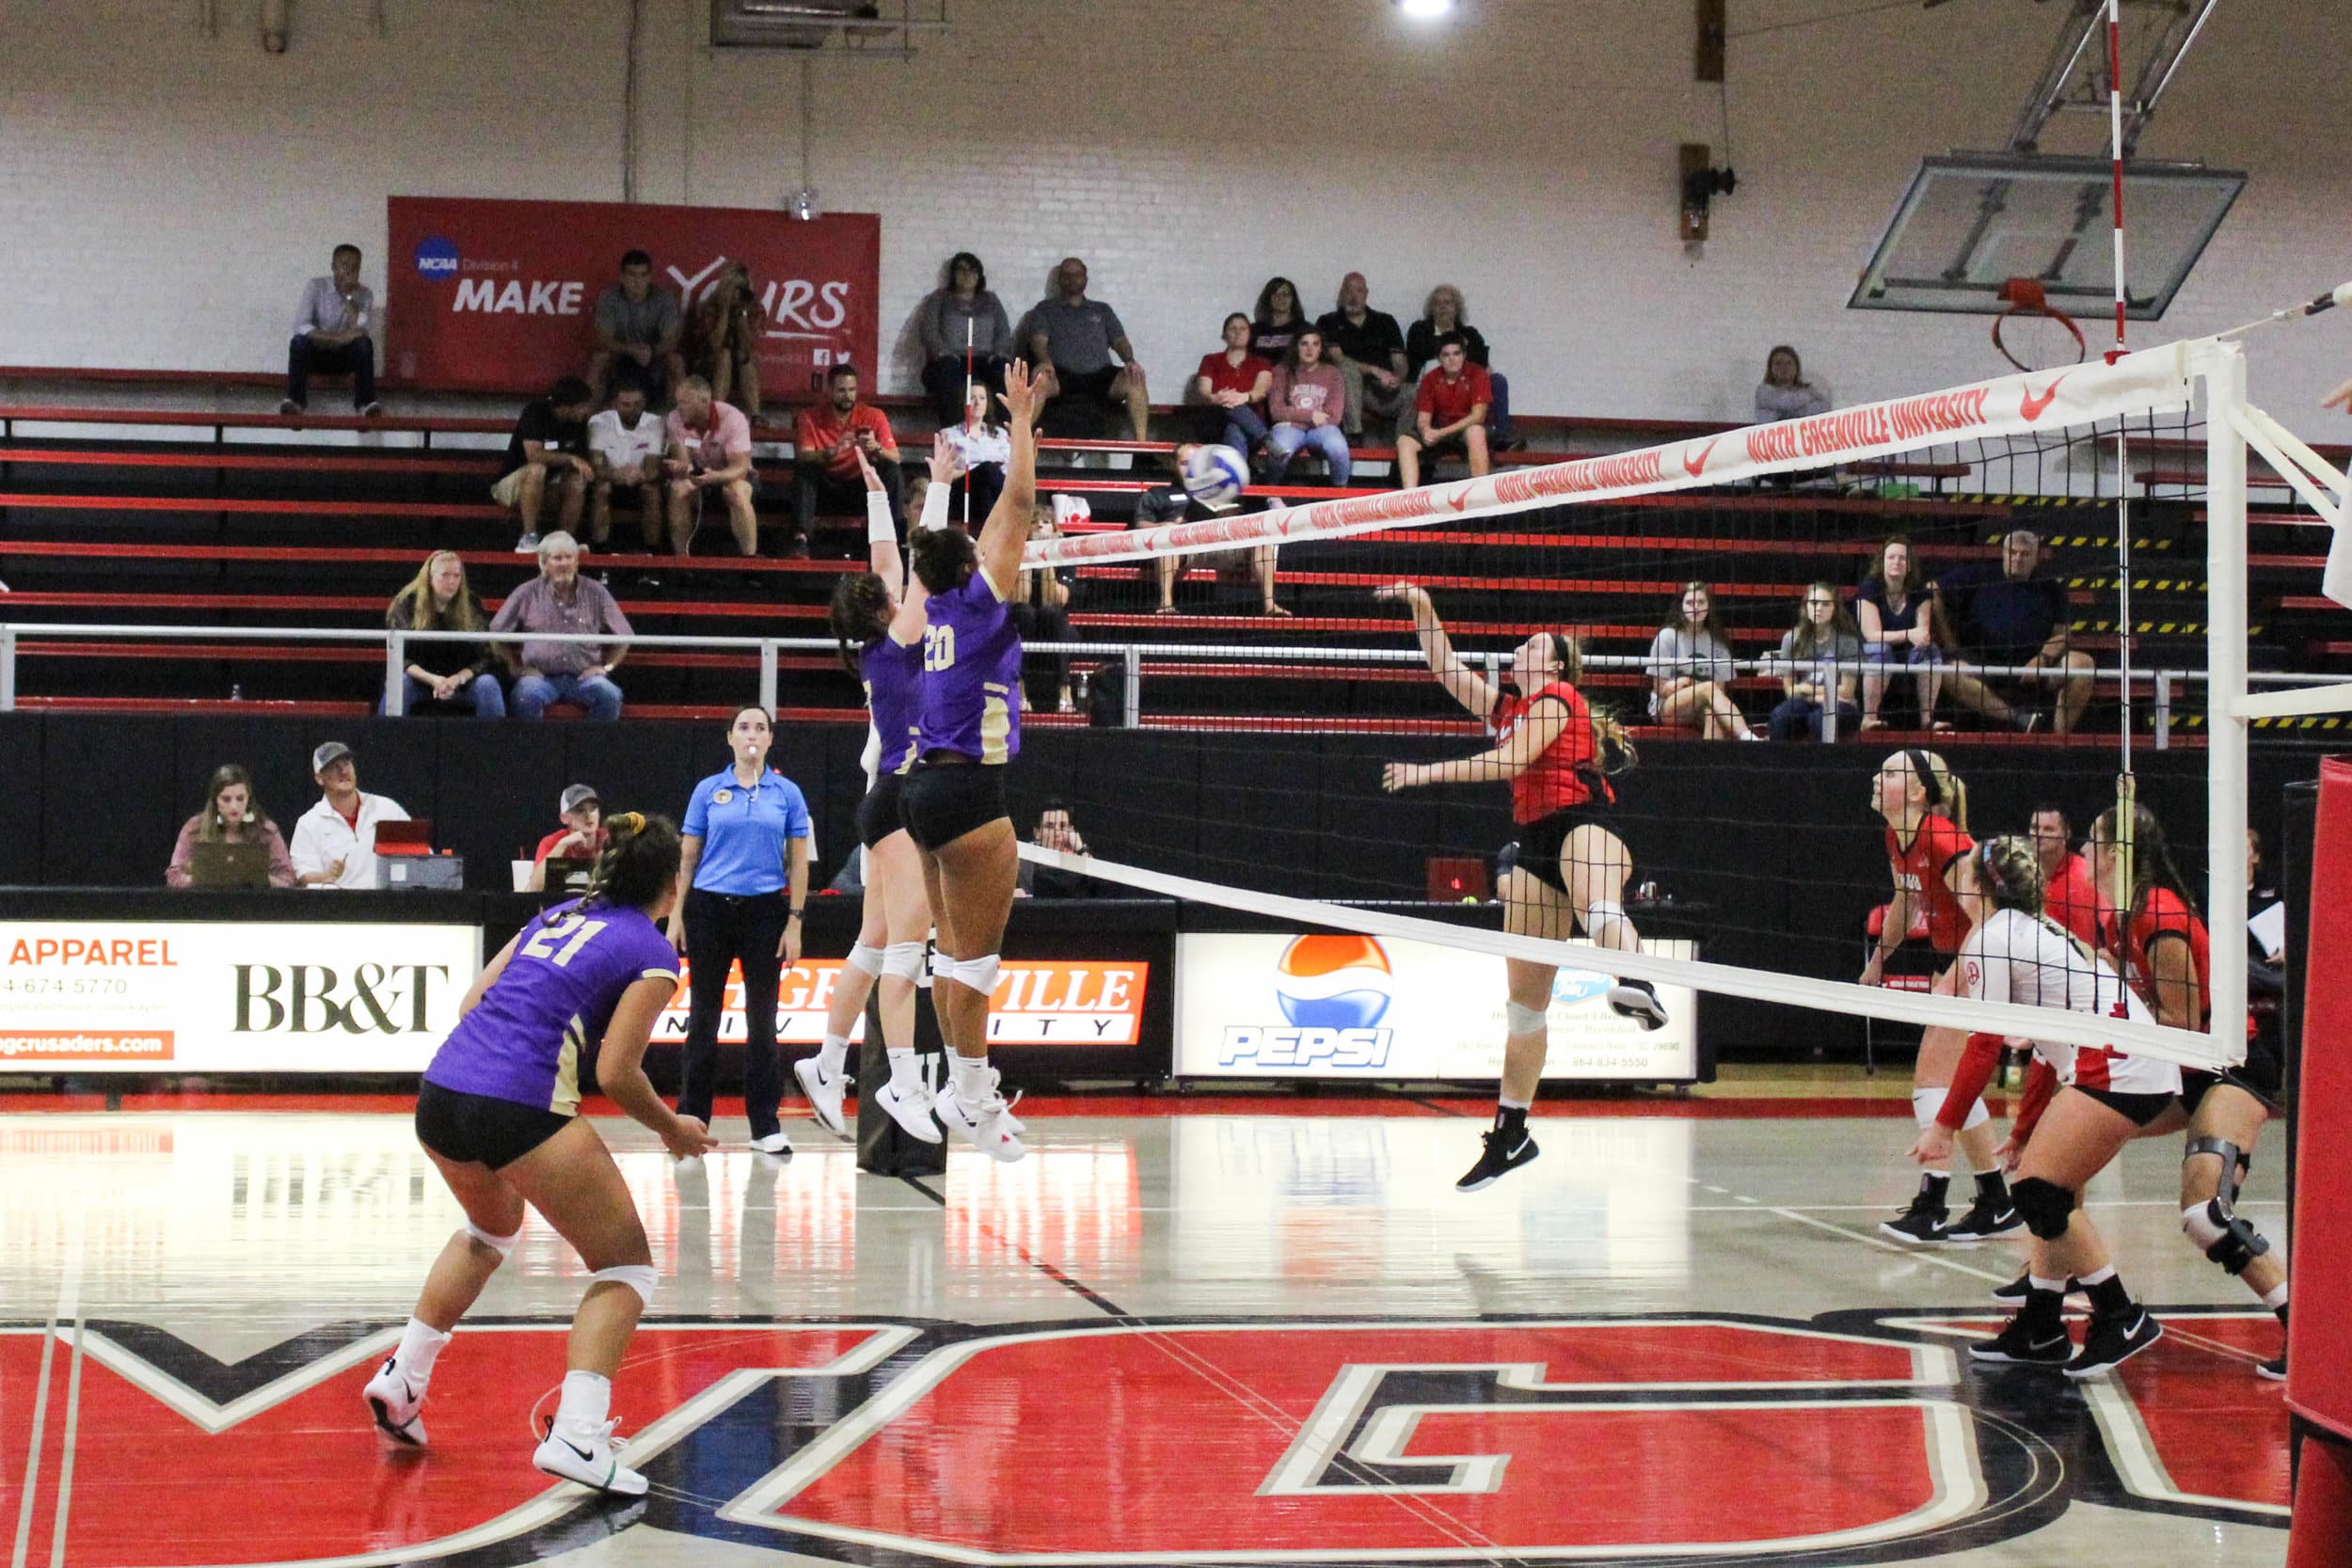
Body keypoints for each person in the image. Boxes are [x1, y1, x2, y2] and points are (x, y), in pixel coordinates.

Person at [360, 813, 717, 1496]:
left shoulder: (553, 915)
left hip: (441, 1091)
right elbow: (617, 1070)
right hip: (516, 1099)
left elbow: (473, 1000)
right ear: (673, 886)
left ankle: (403, 1376)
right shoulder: (651, 948)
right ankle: (579, 1436)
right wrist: (673, 1128)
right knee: (626, 1268)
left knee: (488, 1230)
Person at [1377, 581, 1667, 1191]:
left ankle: (1637, 979)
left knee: (1597, 904)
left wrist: (1424, 772)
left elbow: (1510, 763)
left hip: (1583, 821)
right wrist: (1422, 605)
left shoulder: (1557, 697)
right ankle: (1512, 1133)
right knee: (1524, 1008)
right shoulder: (1507, 706)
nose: (1518, 649)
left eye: (1531, 644)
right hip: (1533, 840)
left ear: (1555, 662)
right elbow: (1445, 667)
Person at [1909, 836, 2176, 1377]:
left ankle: (2120, 1315)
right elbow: (2046, 1051)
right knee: (2041, 1187)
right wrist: (2028, 1127)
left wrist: (1943, 1128)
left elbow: (1984, 1043)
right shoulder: (2034, 931)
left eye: (1961, 874)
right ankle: (2041, 1327)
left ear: (1978, 886)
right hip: (2123, 1060)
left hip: (2119, 1063)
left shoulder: (1994, 938)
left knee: (2038, 1190)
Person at [896, 358, 1044, 1162]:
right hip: (967, 796)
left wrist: (944, 480)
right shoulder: (981, 604)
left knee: (954, 956)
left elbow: (951, 540)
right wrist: (1019, 420)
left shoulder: (936, 610)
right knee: (976, 964)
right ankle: (977, 1100)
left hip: (923, 792)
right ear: (971, 563)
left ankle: (963, 1091)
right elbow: (1017, 505)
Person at [2090, 803, 2290, 1378]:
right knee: (2060, 1166)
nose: (2083, 855)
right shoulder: (2117, 919)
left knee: (2205, 1214)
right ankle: (2058, 1309)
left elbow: (2178, 1023)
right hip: (2185, 1069)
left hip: (2229, 1065)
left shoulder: (2159, 915)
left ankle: (2304, 1332)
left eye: (2091, 845)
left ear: (2116, 854)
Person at [811, 438, 960, 1144]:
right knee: (910, 940)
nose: (901, 590)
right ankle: (902, 1080)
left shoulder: (879, 642)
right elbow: (923, 561)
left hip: (886, 795)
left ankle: (828, 1058)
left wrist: (876, 493)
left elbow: (887, 564)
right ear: (882, 612)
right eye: (893, 596)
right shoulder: (900, 638)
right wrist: (940, 482)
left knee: (875, 939)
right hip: (898, 797)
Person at [1862, 749, 2017, 1243]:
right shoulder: (1896, 835)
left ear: (1917, 792)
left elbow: (1989, 917)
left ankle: (1932, 1204)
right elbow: (1905, 902)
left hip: (1985, 957)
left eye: (1889, 773)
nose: (1876, 777)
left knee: (1932, 1080)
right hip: (1956, 961)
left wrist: (1956, 976)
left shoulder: (1943, 839)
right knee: (1952, 1084)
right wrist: (1876, 963)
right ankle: (1995, 1199)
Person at [672, 705, 814, 1159]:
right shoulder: (708, 791)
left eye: (760, 728)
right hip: (711, 908)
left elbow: (799, 861)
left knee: (762, 1022)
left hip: (765, 912)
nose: (751, 735)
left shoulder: (787, 793)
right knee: (703, 1019)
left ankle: (765, 1125)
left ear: (770, 739)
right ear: (729, 738)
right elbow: (688, 858)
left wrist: (794, 919)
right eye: (744, 728)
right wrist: (677, 915)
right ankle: (691, 1122)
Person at [1937, 529, 2089, 734]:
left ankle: (2059, 739)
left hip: (2034, 666)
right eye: (2013, 552)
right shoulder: (1978, 576)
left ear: (2036, 559)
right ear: (2004, 553)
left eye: (2025, 554)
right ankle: (2019, 719)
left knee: (2083, 665)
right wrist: (1951, 646)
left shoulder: (2051, 589)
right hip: (1983, 664)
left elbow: (2063, 634)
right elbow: (1932, 589)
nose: (2018, 559)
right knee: (1945, 671)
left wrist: (2042, 659)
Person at [491, 532, 632, 721]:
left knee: (610, 696)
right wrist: (515, 667)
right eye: (557, 558)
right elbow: (495, 633)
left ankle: (593, 750)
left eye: (569, 557)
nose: (564, 563)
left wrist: (606, 667)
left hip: (585, 677)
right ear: (543, 563)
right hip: (539, 677)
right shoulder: (526, 592)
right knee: (525, 696)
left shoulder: (596, 592)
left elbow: (624, 636)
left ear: (576, 562)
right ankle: (535, 751)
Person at [1137, 451, 1288, 618]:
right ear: (1174, 464)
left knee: (1262, 540)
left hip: (1225, 545)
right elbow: (1140, 524)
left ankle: (1270, 605)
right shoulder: (1159, 494)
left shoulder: (1225, 489)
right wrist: (1165, 526)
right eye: (1185, 463)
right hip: (1188, 549)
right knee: (1166, 541)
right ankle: (1166, 605)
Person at [1023, 258, 1151, 441]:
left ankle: (1142, 448)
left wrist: (1130, 360)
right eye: (1067, 274)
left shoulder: (1102, 310)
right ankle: (1018, 445)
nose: (1072, 279)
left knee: (1135, 379)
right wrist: (1045, 362)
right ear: (1059, 279)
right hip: (1060, 375)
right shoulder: (1045, 309)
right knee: (1039, 380)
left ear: (1085, 278)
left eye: (1077, 274)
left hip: (1100, 376)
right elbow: (1038, 342)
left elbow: (1120, 341)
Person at [796, 364, 905, 560]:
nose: (848, 395)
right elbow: (804, 455)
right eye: (842, 390)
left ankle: (893, 536)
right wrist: (833, 451)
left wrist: (875, 448)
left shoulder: (873, 415)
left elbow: (896, 456)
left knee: (891, 470)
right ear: (829, 391)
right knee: (805, 469)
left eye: (852, 390)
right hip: (826, 489)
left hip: (859, 487)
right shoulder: (810, 416)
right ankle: (801, 539)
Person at [385, 551, 504, 718]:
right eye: (445, 575)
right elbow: (398, 656)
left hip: (463, 681)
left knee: (488, 684)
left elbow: (486, 656)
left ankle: (496, 743)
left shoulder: (472, 603)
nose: (452, 581)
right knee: (400, 684)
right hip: (420, 680)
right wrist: (434, 680)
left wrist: (456, 679)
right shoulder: (406, 603)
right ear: (429, 578)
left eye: (457, 576)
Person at [288, 741, 410, 890]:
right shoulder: (308, 824)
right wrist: (326, 876)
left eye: (347, 764)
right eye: (335, 767)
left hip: (388, 903)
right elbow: (305, 876)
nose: (344, 772)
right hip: (338, 907)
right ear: (320, 778)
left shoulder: (387, 809)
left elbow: (419, 855)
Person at [664, 376, 762, 558]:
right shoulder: (674, 419)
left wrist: (714, 477)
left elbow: (740, 467)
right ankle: (681, 561)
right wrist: (682, 467)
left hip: (734, 475)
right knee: (678, 489)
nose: (679, 407)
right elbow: (684, 462)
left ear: (704, 401)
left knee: (736, 492)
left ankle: (750, 559)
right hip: (699, 475)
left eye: (684, 402)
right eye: (678, 402)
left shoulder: (733, 418)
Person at [495, 378, 596, 553]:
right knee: (537, 469)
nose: (588, 410)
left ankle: (564, 542)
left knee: (577, 480)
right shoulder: (535, 413)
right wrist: (570, 459)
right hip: (512, 486)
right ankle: (529, 537)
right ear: (568, 406)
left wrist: (574, 469)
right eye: (583, 406)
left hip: (547, 488)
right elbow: (533, 455)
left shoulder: (579, 424)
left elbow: (579, 462)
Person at [1856, 534, 1946, 731]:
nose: (1896, 562)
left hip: (1908, 653)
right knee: (1881, 650)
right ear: (1882, 562)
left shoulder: (1920, 592)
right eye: (1891, 557)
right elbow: (1872, 635)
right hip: (1872, 652)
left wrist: (1914, 636)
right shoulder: (1869, 588)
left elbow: (1922, 634)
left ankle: (1927, 720)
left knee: (1930, 651)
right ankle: (1869, 718)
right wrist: (1908, 634)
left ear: (1910, 565)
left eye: (1902, 558)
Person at [1646, 581, 1756, 740]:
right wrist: (1696, 687)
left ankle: (1710, 763)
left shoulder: (1718, 641)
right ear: (1681, 606)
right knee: (1708, 690)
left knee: (1713, 714)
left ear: (1709, 607)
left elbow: (1720, 690)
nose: (1695, 607)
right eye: (1690, 602)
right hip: (1667, 706)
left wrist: (1690, 683)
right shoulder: (1667, 636)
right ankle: (1747, 736)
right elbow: (1660, 688)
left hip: (1703, 704)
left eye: (1701, 602)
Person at [1405, 284, 1511, 446]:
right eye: (1438, 303)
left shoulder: (1470, 334)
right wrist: (1447, 338)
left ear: (1457, 308)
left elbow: (1480, 362)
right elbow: (1417, 354)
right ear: (1431, 308)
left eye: (1448, 303)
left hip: (1465, 389)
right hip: (1430, 388)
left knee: (1498, 381)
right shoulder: (1420, 330)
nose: (1443, 307)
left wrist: (1457, 338)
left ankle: (1502, 438)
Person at [281, 244, 381, 417]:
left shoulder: (365, 294)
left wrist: (348, 295)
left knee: (364, 345)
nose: (349, 271)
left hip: (344, 359)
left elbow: (359, 330)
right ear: (333, 267)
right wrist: (339, 338)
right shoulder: (316, 286)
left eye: (355, 267)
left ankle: (364, 404)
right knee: (299, 342)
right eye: (344, 265)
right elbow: (302, 326)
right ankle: (296, 402)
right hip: (316, 356)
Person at [916, 251, 1014, 426]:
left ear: (979, 275)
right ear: (953, 274)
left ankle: (999, 431)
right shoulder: (940, 298)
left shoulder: (991, 300)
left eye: (972, 270)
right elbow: (929, 331)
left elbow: (1003, 332)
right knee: (947, 371)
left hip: (985, 361)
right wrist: (943, 352)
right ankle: (953, 429)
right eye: (961, 270)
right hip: (950, 360)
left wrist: (998, 354)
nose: (966, 274)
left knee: (1002, 371)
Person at [167, 765, 295, 888]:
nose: (234, 806)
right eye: (226, 799)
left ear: (248, 799)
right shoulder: (194, 828)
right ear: (215, 801)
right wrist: (204, 879)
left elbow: (288, 879)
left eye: (240, 798)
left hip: (254, 906)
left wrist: (260, 878)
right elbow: (174, 876)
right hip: (206, 905)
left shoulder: (266, 831)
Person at [1316, 272, 1409, 440]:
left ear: (1366, 294)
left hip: (1381, 390)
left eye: (1359, 291)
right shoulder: (1328, 322)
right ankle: (1354, 435)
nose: (1353, 296)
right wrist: (1375, 370)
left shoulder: (1385, 321)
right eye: (1349, 291)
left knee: (1414, 392)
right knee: (1347, 369)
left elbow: (1400, 362)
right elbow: (1338, 359)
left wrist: (1397, 379)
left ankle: (1405, 444)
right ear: (1341, 294)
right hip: (1346, 391)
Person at [588, 249, 685, 402]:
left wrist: (651, 351)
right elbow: (603, 338)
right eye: (632, 275)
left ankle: (680, 421)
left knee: (675, 361)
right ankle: (589, 419)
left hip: (653, 355)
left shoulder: (664, 298)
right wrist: (630, 350)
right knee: (600, 359)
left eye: (643, 275)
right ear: (622, 277)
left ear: (650, 278)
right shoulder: (608, 298)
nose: (637, 281)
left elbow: (671, 339)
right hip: (620, 354)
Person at [1769, 582, 1862, 741]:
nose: (1819, 608)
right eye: (1814, 603)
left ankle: (1824, 764)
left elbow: (1846, 691)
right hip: (1804, 701)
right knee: (1780, 715)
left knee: (1819, 719)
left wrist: (1807, 689)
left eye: (1826, 604)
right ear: (1806, 607)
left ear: (1835, 608)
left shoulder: (1848, 642)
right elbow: (1789, 690)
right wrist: (1816, 696)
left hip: (1841, 704)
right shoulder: (1791, 639)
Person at [1395, 336, 1490, 490]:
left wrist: (1441, 433)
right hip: (1439, 430)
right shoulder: (1430, 378)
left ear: (1464, 355)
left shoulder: (1478, 374)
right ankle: (1409, 499)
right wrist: (1425, 430)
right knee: (1405, 441)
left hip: (1463, 431)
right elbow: (1423, 417)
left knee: (1476, 431)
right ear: (1439, 359)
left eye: (1456, 353)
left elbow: (1478, 416)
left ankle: (1481, 494)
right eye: (1446, 355)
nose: (1452, 359)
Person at [586, 383, 670, 551]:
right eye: (626, 404)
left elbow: (652, 469)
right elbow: (597, 466)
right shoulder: (599, 422)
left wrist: (638, 476)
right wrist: (617, 475)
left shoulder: (655, 422)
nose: (633, 409)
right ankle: (600, 552)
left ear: (644, 402)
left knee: (651, 491)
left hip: (640, 480)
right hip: (609, 478)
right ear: (614, 404)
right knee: (602, 488)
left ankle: (652, 555)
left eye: (638, 404)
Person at [1263, 329, 1351, 487]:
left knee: (1338, 448)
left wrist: (1295, 415)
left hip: (1321, 429)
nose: (1309, 349)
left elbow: (1334, 416)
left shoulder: (1333, 373)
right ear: (1296, 347)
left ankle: (1341, 495)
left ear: (1321, 349)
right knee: (1281, 450)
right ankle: (1271, 493)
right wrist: (1310, 416)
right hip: (1290, 428)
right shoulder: (1281, 371)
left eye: (1315, 344)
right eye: (1304, 344)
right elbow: (1276, 411)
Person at [1013, 504, 1077, 714]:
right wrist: (1029, 555)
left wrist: (1046, 557)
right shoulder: (1015, 554)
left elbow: (1057, 599)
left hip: (1054, 627)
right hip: (1024, 624)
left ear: (1055, 530)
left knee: (1052, 613)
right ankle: (1020, 690)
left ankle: (1065, 689)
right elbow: (1019, 598)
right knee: (1024, 611)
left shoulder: (1065, 557)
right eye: (1034, 521)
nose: (1040, 525)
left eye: (1046, 522)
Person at [689, 261, 765, 419]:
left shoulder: (754, 308)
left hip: (740, 367)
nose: (737, 293)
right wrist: (724, 311)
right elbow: (714, 344)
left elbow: (748, 346)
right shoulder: (710, 307)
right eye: (734, 289)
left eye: (742, 288)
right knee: (724, 353)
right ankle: (715, 413)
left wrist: (742, 314)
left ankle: (756, 415)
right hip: (709, 365)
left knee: (745, 357)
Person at [1194, 313, 1273, 456]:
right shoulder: (1211, 360)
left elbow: (1261, 391)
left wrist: (1243, 397)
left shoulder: (1262, 362)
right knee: (1229, 407)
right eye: (1233, 328)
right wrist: (1217, 398)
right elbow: (1203, 391)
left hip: (1251, 428)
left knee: (1235, 429)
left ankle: (1237, 477)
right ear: (1224, 335)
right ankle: (1268, 440)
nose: (1238, 332)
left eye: (1243, 328)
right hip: (1217, 424)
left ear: (1250, 334)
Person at [2027, 803, 2098, 946]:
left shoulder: (2084, 874)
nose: (2039, 834)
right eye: (2035, 828)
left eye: (2048, 829)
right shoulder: (2022, 869)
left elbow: (2085, 943)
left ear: (2066, 835)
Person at [944, 379, 1010, 524]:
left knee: (988, 485)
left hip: (992, 491)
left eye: (982, 398)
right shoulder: (949, 435)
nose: (977, 402)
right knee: (987, 469)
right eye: (972, 398)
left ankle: (990, 531)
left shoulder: (1000, 434)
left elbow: (1009, 471)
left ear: (987, 404)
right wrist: (976, 470)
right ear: (963, 402)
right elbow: (944, 474)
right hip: (964, 493)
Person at [527, 784, 608, 894]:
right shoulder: (552, 842)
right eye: (580, 810)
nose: (589, 815)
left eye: (593, 809)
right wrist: (562, 845)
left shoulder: (610, 838)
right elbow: (535, 888)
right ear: (564, 818)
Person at [1018, 801, 1097, 898]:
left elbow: (1096, 888)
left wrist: (1082, 850)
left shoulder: (1079, 859)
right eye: (1050, 826)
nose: (1057, 833)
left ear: (1071, 831)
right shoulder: (1023, 860)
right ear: (1037, 832)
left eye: (1063, 826)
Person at [1248, 277, 1312, 368]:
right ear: (1268, 299)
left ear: (1293, 299)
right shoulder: (1253, 330)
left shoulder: (1305, 329)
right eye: (1275, 294)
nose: (1280, 298)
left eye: (1285, 294)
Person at [1754, 345, 1831, 422]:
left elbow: (1824, 408)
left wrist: (1784, 414)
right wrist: (1806, 403)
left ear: (1796, 367)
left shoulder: (1808, 389)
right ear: (1770, 368)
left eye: (1789, 363)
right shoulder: (1763, 391)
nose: (1784, 367)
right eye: (1778, 363)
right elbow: (1786, 404)